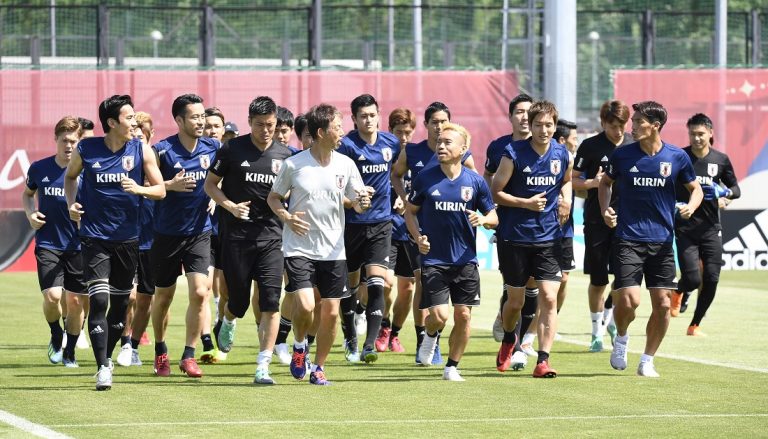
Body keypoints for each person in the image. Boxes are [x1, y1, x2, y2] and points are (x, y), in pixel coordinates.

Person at [65, 94, 166, 390]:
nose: (134, 122)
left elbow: (160, 190)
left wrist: (139, 189)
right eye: (129, 117)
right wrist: (72, 205)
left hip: (128, 240)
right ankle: (101, 368)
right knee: (98, 299)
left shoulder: (141, 150)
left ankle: (106, 359)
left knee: (120, 308)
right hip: (94, 238)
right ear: (111, 123)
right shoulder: (87, 148)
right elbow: (70, 178)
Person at [267, 103, 371, 385]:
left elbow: (359, 204)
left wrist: (363, 202)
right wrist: (287, 216)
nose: (342, 132)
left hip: (334, 249)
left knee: (332, 311)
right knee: (304, 303)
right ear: (322, 132)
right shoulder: (294, 164)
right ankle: (299, 344)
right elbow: (273, 198)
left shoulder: (346, 164)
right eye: (337, 127)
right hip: (299, 246)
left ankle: (319, 367)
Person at [598, 100, 702, 378]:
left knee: (664, 304)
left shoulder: (677, 157)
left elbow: (696, 189)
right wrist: (605, 210)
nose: (631, 126)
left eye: (637, 122)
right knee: (629, 301)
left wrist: (691, 206)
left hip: (662, 242)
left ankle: (647, 360)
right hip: (628, 239)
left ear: (655, 126)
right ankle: (621, 336)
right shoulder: (622, 156)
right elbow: (605, 183)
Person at [205, 96, 294, 384]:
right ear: (249, 123)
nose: (266, 130)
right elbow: (210, 184)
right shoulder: (231, 149)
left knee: (270, 301)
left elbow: (293, 192)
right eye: (260, 125)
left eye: (271, 125)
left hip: (272, 238)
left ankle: (262, 365)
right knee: (239, 301)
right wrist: (229, 205)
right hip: (237, 237)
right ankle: (228, 319)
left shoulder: (286, 155)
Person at [406, 123, 497, 381]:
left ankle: (451, 367)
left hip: (465, 260)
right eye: (439, 142)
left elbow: (493, 216)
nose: (441, 146)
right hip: (434, 259)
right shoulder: (425, 178)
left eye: (448, 142)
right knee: (439, 315)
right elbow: (410, 212)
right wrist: (417, 238)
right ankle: (431, 335)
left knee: (464, 314)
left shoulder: (475, 182)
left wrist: (485, 220)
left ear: (463, 148)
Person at [390, 101, 476, 365]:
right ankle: (424, 340)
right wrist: (404, 197)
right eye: (434, 122)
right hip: (420, 230)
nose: (439, 127)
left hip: (451, 236)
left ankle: (432, 339)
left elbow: (474, 183)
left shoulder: (462, 153)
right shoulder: (413, 151)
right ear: (426, 125)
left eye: (443, 122)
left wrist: (475, 214)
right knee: (417, 282)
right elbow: (396, 174)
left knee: (430, 291)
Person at [491, 100, 572, 378]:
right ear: (531, 125)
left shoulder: (562, 154)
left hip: (549, 238)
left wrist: (567, 199)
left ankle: (543, 360)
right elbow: (495, 192)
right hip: (514, 237)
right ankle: (508, 337)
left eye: (549, 125)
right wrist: (525, 203)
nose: (544, 130)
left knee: (549, 297)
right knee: (515, 302)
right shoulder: (513, 153)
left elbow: (568, 180)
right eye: (539, 125)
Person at [147, 94, 219, 378]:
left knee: (201, 293)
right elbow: (145, 187)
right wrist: (170, 184)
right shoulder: (161, 151)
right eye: (195, 117)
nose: (200, 121)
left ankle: (189, 355)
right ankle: (160, 351)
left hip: (200, 232)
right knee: (163, 297)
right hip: (166, 235)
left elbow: (221, 176)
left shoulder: (214, 148)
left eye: (202, 116)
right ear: (179, 120)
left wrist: (215, 194)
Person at [337, 94, 400, 363]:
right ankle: (349, 332)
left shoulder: (391, 143)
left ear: (378, 115)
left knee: (379, 283)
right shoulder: (346, 146)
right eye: (363, 116)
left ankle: (369, 345)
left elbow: (397, 172)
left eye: (372, 115)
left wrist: (400, 195)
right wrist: (354, 199)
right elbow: (335, 186)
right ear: (354, 119)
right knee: (350, 287)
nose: (369, 120)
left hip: (381, 224)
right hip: (351, 226)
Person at [23, 116, 88, 367]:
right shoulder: (39, 168)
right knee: (52, 296)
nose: (69, 145)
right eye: (65, 140)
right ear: (56, 140)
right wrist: (30, 214)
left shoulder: (87, 171)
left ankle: (70, 352)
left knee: (75, 302)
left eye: (74, 140)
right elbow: (28, 194)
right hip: (48, 243)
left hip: (80, 245)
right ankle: (55, 333)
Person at [483, 93, 540, 370]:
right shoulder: (498, 147)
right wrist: (489, 204)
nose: (523, 116)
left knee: (534, 285)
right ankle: (510, 334)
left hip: (541, 229)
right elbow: (487, 176)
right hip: (508, 225)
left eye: (528, 111)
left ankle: (519, 345)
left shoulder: (544, 146)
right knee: (515, 286)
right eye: (518, 111)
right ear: (511, 117)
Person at [671, 113, 740, 335]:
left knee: (711, 278)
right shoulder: (680, 157)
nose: (697, 138)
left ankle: (694, 324)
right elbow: (665, 186)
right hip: (685, 227)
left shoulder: (720, 159)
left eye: (701, 134)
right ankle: (679, 291)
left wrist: (725, 192)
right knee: (692, 278)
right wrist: (674, 203)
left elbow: (736, 189)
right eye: (692, 134)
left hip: (711, 228)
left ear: (710, 133)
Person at [572, 100, 632, 352]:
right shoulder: (590, 146)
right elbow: (574, 181)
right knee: (598, 280)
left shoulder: (634, 145)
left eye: (622, 125)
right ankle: (596, 332)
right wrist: (593, 184)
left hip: (628, 222)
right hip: (596, 221)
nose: (618, 131)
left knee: (624, 277)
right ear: (603, 122)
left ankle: (610, 320)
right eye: (612, 125)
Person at [373, 108, 419, 353]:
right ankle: (383, 324)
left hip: (411, 230)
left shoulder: (418, 157)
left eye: (407, 132)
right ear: (390, 131)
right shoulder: (383, 157)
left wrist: (409, 200)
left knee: (408, 286)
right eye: (399, 132)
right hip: (387, 227)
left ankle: (396, 334)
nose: (403, 137)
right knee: (386, 283)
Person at [116, 111, 156, 368]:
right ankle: (125, 342)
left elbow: (168, 189)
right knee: (128, 296)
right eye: (135, 135)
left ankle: (135, 344)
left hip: (153, 240)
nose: (138, 140)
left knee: (146, 298)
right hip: (125, 238)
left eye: (143, 137)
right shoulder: (120, 162)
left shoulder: (157, 163)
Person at [200, 106, 227, 363]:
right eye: (207, 125)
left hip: (229, 231)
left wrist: (220, 197)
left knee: (228, 291)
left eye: (215, 126)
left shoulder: (230, 154)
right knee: (204, 288)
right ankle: (207, 342)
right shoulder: (198, 153)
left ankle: (225, 319)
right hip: (203, 232)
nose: (211, 130)